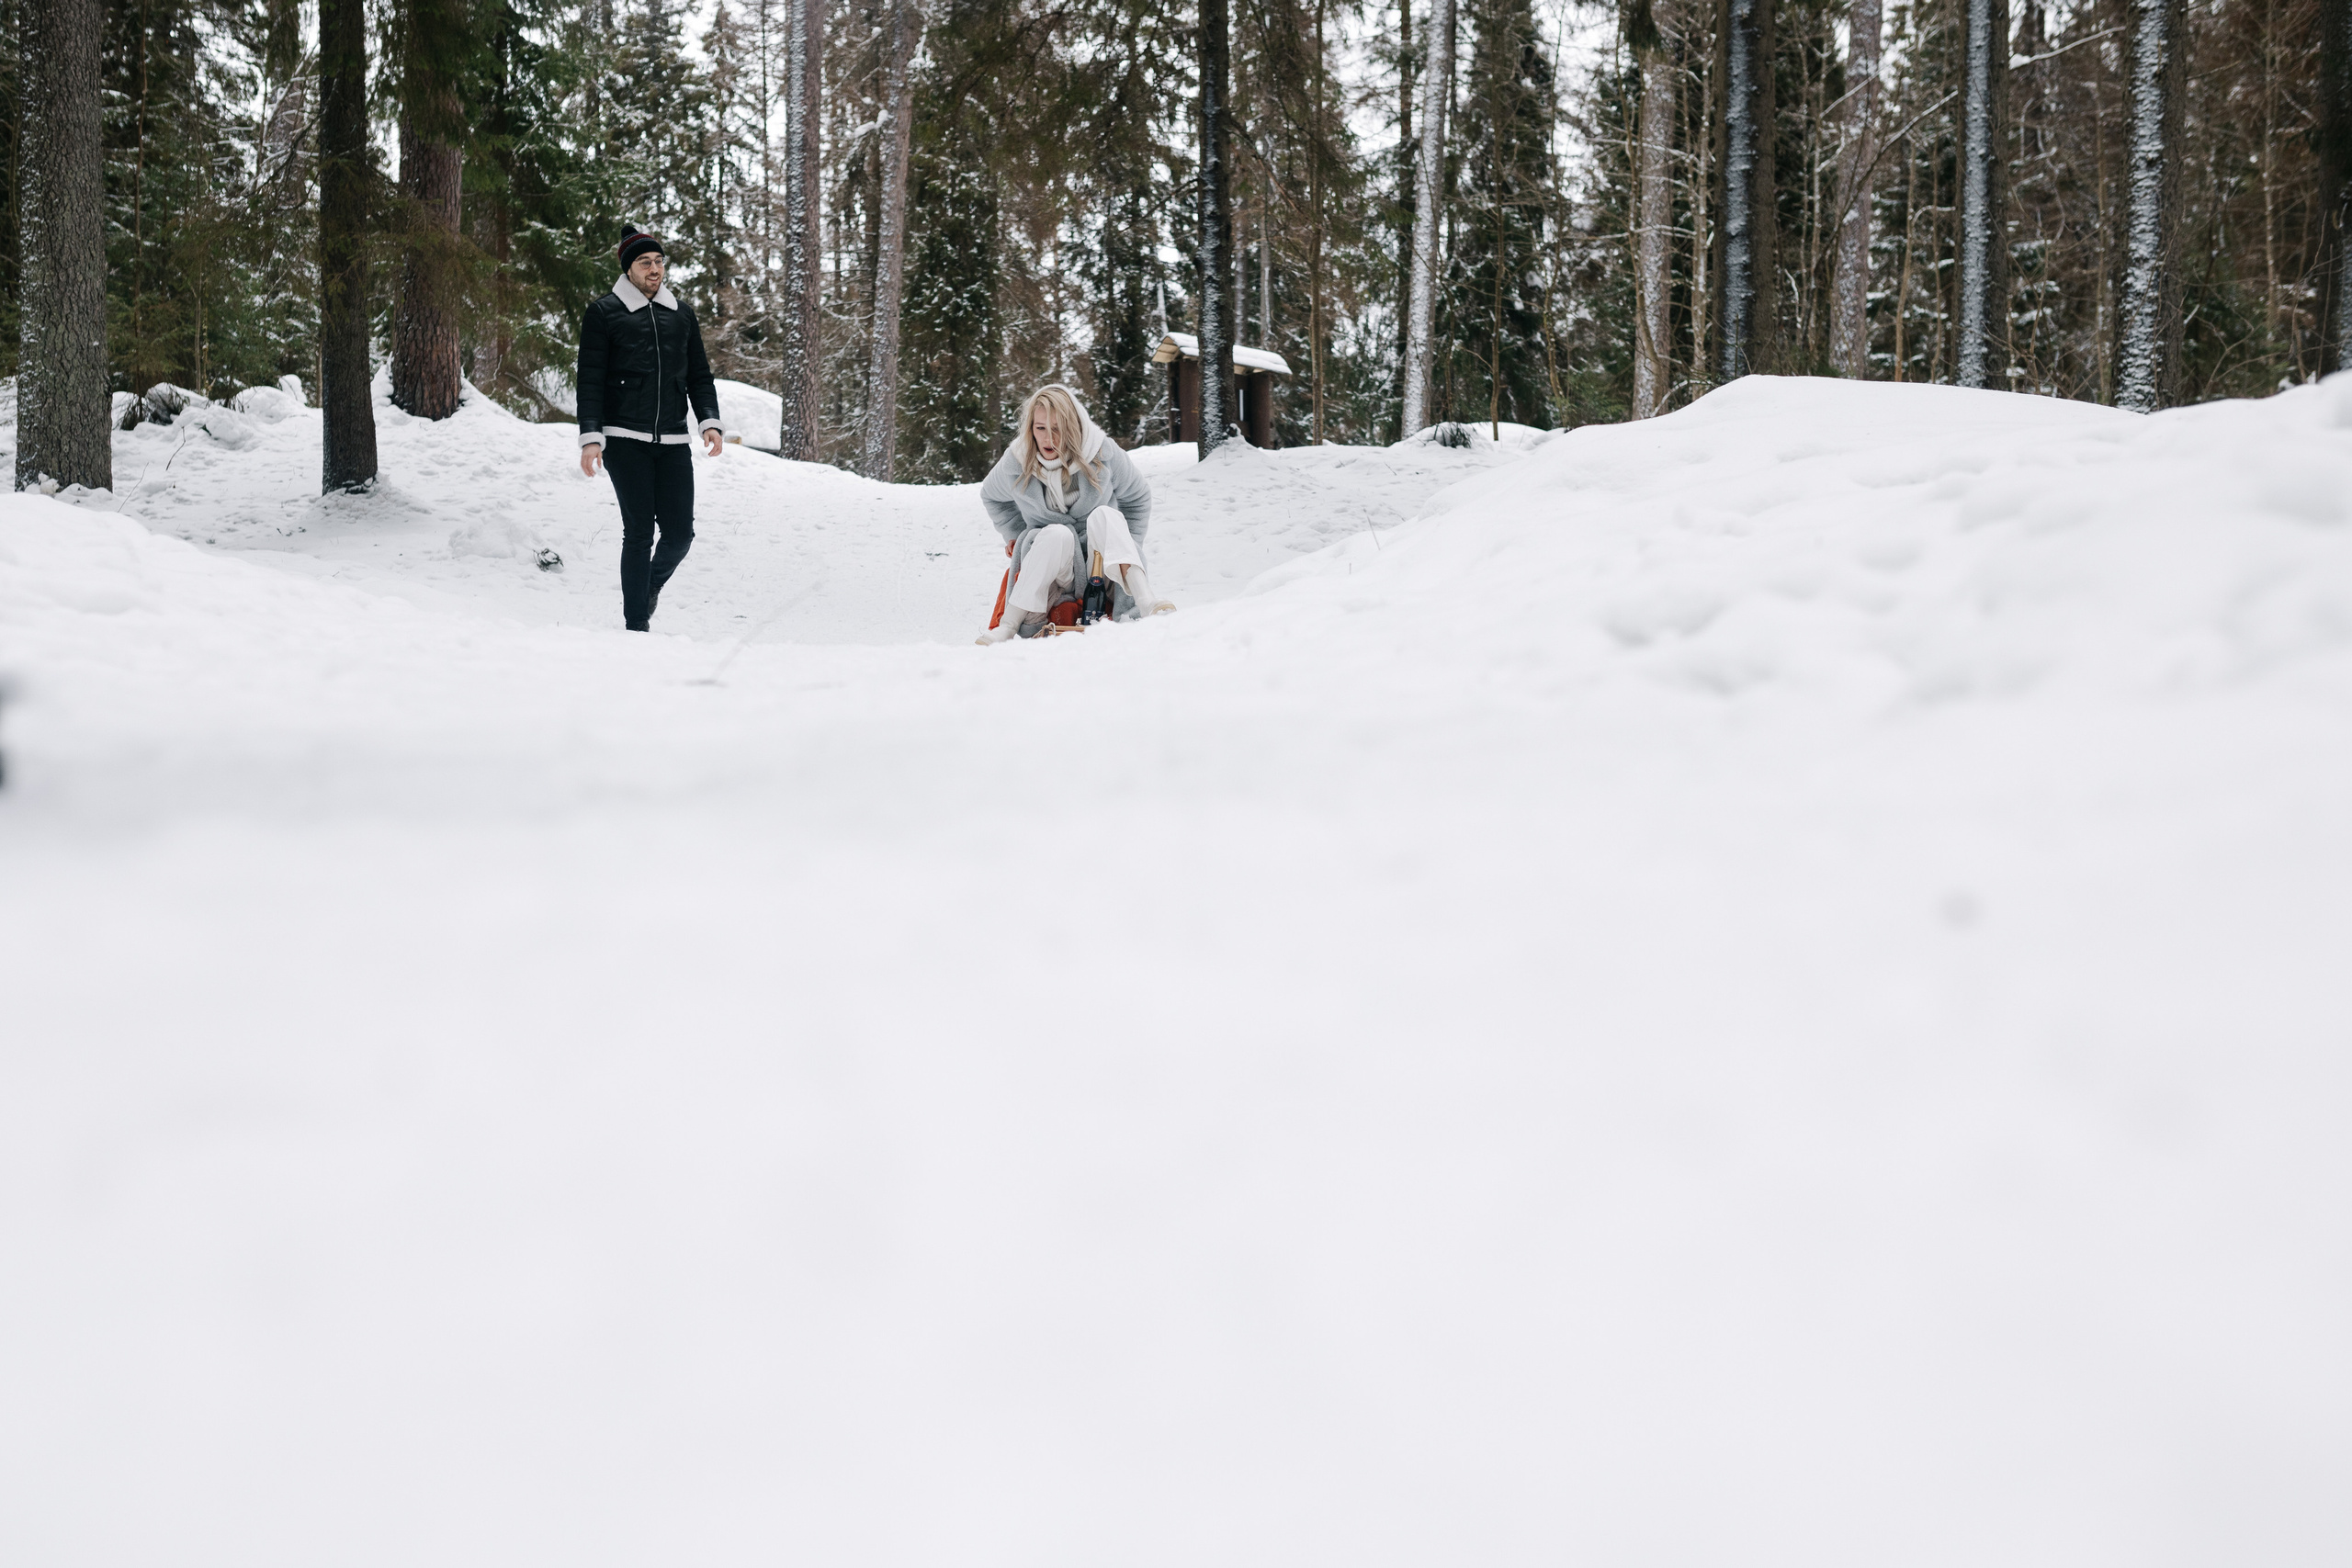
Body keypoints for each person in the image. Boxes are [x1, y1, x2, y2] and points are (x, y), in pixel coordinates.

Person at [576, 225, 724, 632]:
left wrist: (708, 420)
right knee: (639, 532)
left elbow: (699, 375)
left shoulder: (682, 315)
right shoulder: (604, 313)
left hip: (674, 440)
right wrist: (591, 437)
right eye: (646, 262)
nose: (655, 269)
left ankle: (649, 588)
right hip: (625, 439)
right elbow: (589, 379)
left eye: (659, 261)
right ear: (629, 269)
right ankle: (636, 625)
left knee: (680, 536)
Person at [976, 385, 1174, 645]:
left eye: (1057, 429)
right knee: (1056, 533)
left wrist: (1128, 545)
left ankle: (1146, 602)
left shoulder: (1103, 453)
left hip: (1100, 564)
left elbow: (1138, 498)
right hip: (1055, 567)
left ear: (1074, 426)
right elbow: (992, 496)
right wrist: (1013, 535)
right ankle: (1008, 626)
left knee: (1105, 515)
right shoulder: (1017, 461)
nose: (1048, 439)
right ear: (1031, 428)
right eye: (1041, 428)